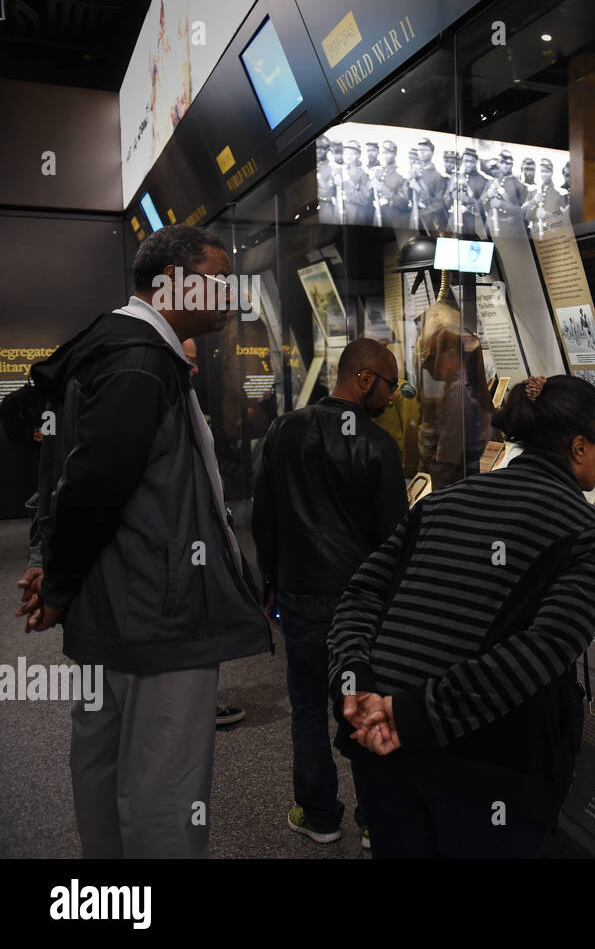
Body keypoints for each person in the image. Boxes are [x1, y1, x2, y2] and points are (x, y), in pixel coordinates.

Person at [25, 225, 271, 858]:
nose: (228, 292)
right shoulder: (141, 360)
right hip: (160, 613)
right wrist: (56, 579)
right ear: (173, 283)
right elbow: (95, 482)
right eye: (219, 279)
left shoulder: (108, 345)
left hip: (116, 600)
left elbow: (63, 470)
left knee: (103, 766)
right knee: (164, 787)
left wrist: (57, 567)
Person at [329, 374, 595, 858]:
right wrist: (412, 715)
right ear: (580, 445)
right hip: (483, 769)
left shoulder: (441, 503)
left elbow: (361, 595)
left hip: (379, 748)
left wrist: (355, 686)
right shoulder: (586, 531)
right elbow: (538, 655)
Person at [251, 338, 406, 848]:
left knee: (307, 708)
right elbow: (394, 538)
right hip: (361, 602)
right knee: (365, 703)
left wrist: (271, 582)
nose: (393, 395)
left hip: (300, 593)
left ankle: (319, 815)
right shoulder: (380, 446)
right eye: (390, 384)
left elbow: (264, 517)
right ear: (364, 379)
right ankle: (374, 819)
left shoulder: (285, 429)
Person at [181, 336, 247, 728]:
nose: (197, 368)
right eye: (188, 360)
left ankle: (199, 702)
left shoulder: (183, 398)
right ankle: (195, 707)